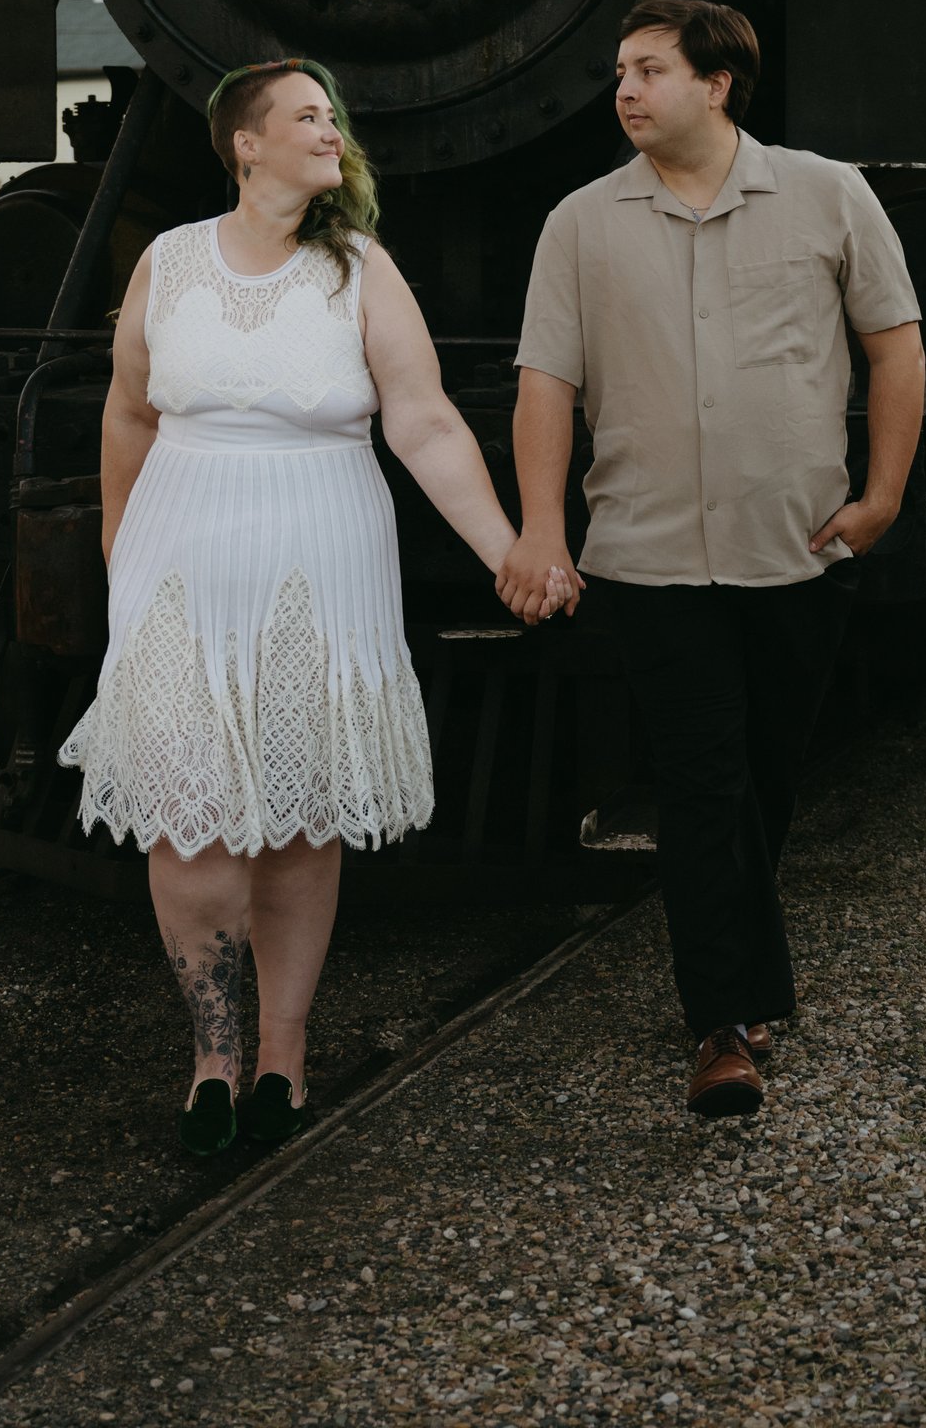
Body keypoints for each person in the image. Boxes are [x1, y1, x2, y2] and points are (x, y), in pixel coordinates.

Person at [61, 59, 568, 1157]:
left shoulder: (359, 270)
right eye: (305, 116)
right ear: (245, 144)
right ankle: (210, 1056)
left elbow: (425, 425)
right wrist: (119, 552)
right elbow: (127, 414)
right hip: (182, 561)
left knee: (296, 821)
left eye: (332, 114)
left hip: (318, 559)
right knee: (187, 813)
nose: (329, 130)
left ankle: (282, 1056)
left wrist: (507, 552)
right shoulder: (169, 262)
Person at [498, 0, 924, 1119]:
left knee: (763, 779)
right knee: (699, 781)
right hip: (645, 560)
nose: (625, 91)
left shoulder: (828, 194)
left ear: (717, 84)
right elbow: (546, 384)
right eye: (621, 73)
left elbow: (896, 347)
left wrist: (881, 496)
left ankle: (740, 975)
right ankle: (722, 1027)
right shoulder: (579, 223)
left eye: (648, 71)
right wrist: (540, 528)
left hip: (796, 551)